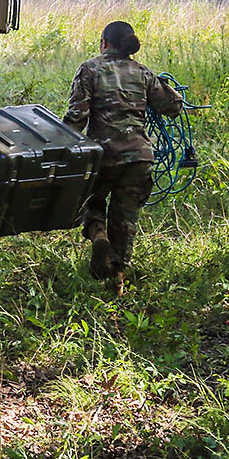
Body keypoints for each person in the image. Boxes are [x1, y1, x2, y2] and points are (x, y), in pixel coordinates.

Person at [63, 21, 182, 295]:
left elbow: (77, 117)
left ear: (104, 42)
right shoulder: (142, 72)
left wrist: (60, 144)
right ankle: (117, 281)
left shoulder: (90, 69)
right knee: (126, 218)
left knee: (89, 202)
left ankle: (98, 235)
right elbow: (173, 107)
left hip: (102, 157)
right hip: (139, 158)